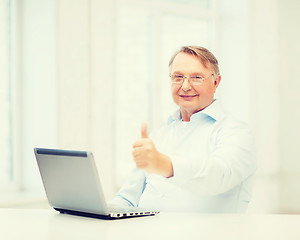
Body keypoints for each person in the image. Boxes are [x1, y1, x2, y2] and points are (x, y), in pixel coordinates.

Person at [109, 46, 257, 213]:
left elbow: (219, 175)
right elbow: (127, 198)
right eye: (178, 77)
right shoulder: (159, 135)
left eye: (196, 77)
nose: (185, 86)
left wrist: (166, 165)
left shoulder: (236, 132)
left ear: (216, 82)